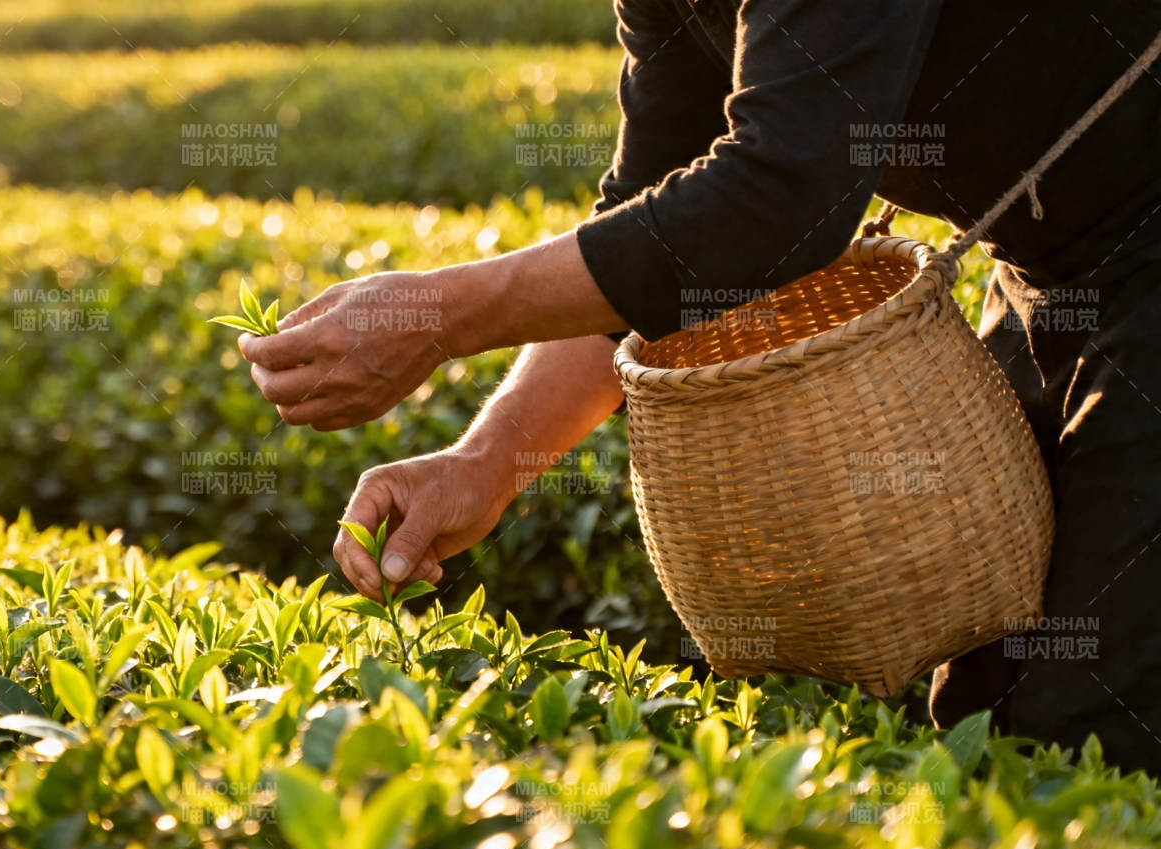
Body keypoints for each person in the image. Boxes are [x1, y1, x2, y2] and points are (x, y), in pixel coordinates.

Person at [235, 0, 1161, 772]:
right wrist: (483, 464)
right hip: (1042, 257)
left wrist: (437, 317)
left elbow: (778, 195)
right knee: (983, 696)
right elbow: (658, 222)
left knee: (1085, 722)